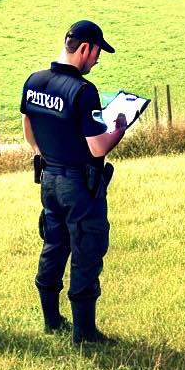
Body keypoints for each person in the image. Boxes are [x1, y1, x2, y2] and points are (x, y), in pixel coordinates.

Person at [21, 19, 128, 344]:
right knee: (86, 250)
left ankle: (52, 320)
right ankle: (85, 333)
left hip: (49, 178)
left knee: (54, 245)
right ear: (84, 48)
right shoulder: (84, 92)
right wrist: (120, 126)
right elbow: (97, 146)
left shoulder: (34, 81)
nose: (97, 60)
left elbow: (29, 131)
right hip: (80, 186)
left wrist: (50, 152)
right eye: (97, 53)